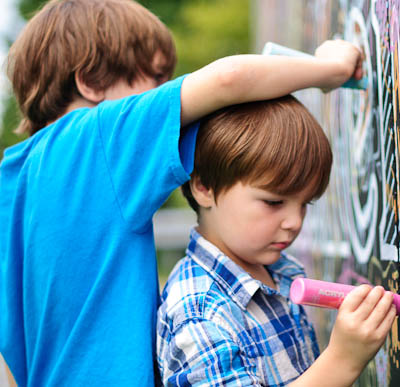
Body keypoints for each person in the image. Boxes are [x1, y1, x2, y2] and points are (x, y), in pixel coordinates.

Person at [0, 0, 363, 385]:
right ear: (91, 82)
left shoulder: (12, 184)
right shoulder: (100, 138)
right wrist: (329, 69)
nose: (166, 95)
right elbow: (229, 79)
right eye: (157, 79)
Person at [156, 95, 397, 386]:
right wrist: (342, 360)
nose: (295, 222)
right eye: (274, 202)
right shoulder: (198, 311)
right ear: (204, 188)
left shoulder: (274, 268)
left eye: (305, 203)